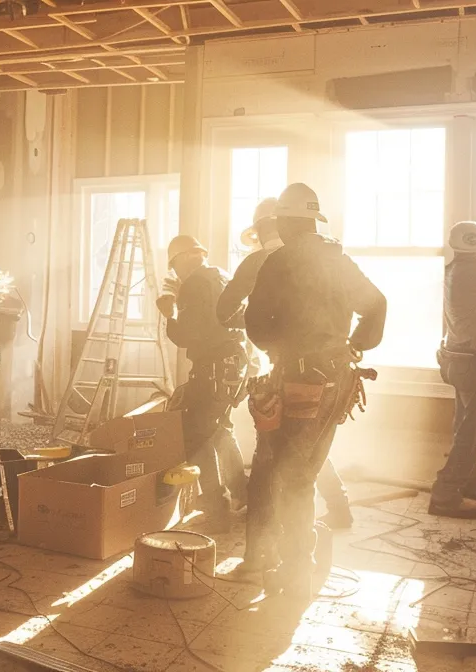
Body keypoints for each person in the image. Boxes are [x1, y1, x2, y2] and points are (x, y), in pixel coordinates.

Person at [244, 182, 387, 600]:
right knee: (305, 466)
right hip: (337, 377)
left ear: (286, 223)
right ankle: (299, 555)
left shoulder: (279, 262)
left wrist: (278, 344)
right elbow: (376, 304)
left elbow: (256, 325)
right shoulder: (338, 260)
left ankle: (296, 566)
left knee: (293, 475)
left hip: (300, 379)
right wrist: (356, 344)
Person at [218, 199, 358, 532]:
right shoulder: (323, 259)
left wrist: (261, 329)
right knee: (308, 442)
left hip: (285, 371)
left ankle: (271, 541)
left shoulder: (258, 263)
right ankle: (337, 508)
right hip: (331, 368)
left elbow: (224, 312)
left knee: (278, 451)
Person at [158, 235, 248, 531]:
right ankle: (243, 495)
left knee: (197, 437)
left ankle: (215, 506)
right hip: (232, 367)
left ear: (183, 259)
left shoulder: (194, 286)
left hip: (211, 370)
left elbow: (187, 336)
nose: (175, 274)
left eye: (175, 267)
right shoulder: (220, 276)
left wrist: (169, 314)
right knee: (221, 429)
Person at [428, 221, 476, 519]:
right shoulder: (474, 274)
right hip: (471, 359)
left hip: (454, 357)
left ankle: (468, 479)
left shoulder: (451, 271)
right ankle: (446, 493)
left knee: (464, 422)